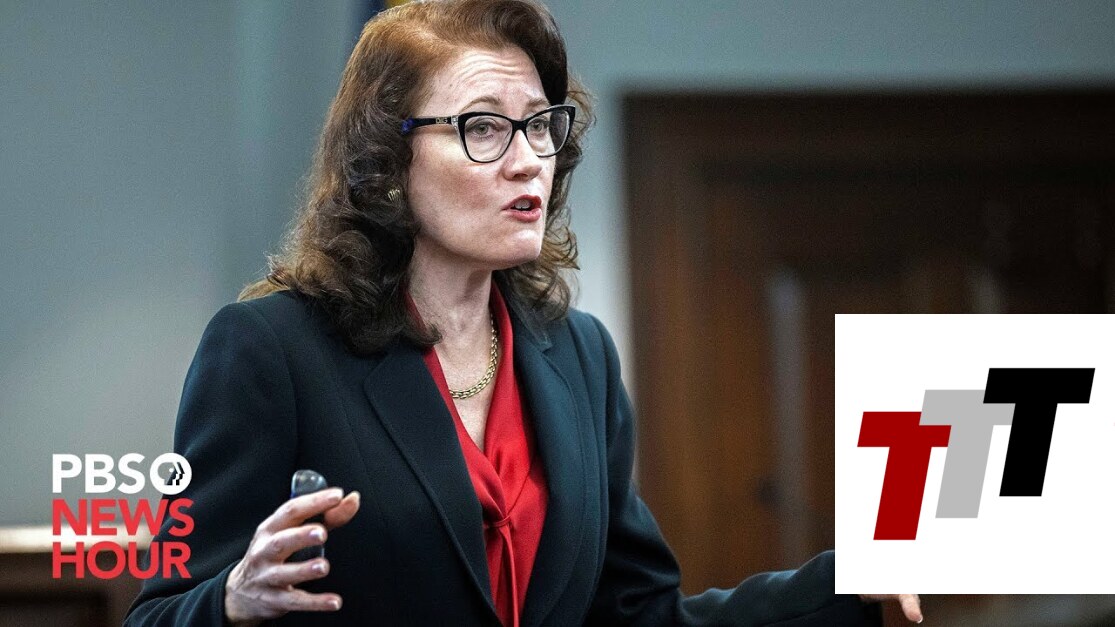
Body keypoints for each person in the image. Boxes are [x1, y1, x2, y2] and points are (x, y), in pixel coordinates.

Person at [125, 0, 921, 624]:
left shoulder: (578, 355)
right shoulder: (271, 349)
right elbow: (157, 613)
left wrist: (843, 586)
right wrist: (232, 599)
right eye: (482, 127)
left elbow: (637, 616)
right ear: (387, 164)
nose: (527, 159)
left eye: (539, 125)